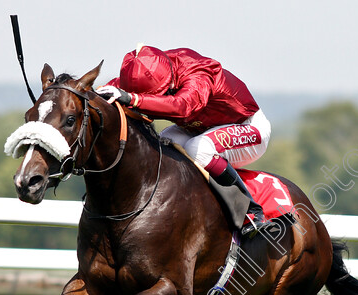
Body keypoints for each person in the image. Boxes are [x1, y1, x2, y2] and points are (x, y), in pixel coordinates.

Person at [97, 45, 271, 237]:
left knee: (200, 148)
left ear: (170, 81)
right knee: (160, 144)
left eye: (161, 94)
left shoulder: (199, 73)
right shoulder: (147, 72)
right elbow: (103, 93)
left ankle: (250, 211)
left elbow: (183, 107)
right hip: (195, 128)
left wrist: (134, 99)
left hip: (249, 128)